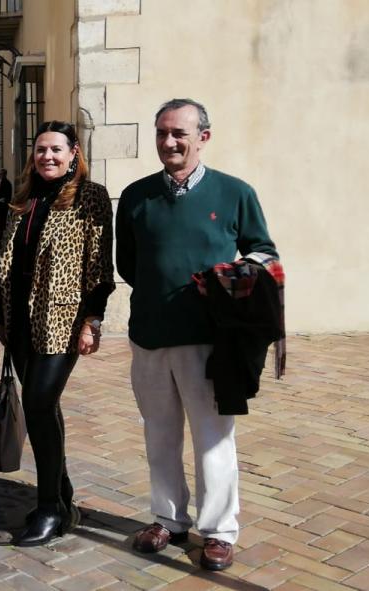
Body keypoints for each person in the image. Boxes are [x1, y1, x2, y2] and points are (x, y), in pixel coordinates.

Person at [117, 99, 278, 571]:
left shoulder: (234, 193)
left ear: (202, 137)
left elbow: (263, 251)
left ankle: (219, 530)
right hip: (149, 334)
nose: (169, 142)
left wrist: (230, 282)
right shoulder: (136, 196)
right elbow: (129, 263)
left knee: (213, 437)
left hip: (211, 339)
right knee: (160, 434)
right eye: (162, 133)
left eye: (179, 134)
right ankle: (168, 518)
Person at [0, 121, 114, 546]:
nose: (47, 156)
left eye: (56, 150)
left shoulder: (89, 196)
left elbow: (100, 267)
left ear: (73, 153)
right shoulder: (24, 198)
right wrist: (4, 319)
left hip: (62, 321)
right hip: (22, 322)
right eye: (41, 149)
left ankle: (48, 509)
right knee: (45, 409)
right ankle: (61, 496)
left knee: (40, 401)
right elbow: (9, 263)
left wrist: (92, 321)